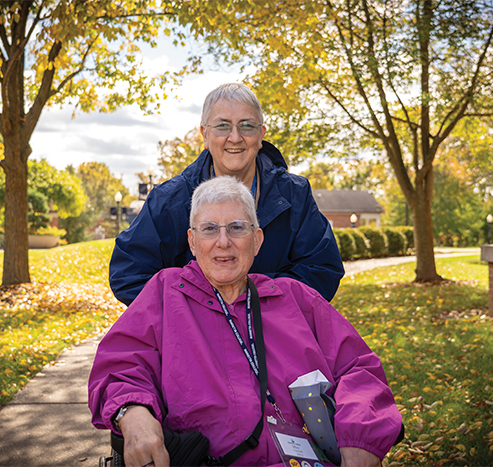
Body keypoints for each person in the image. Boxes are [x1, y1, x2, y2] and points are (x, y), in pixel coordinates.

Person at [89, 176, 403, 467]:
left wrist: (360, 438)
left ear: (256, 240)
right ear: (193, 242)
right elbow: (120, 367)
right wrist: (133, 414)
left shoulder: (295, 298)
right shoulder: (165, 292)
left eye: (237, 228)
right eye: (209, 229)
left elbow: (359, 369)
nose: (223, 242)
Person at [109, 83, 343, 306]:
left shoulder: (295, 195)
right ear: (204, 134)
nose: (235, 137)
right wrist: (201, 308)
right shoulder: (169, 200)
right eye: (222, 126)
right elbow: (129, 273)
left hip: (276, 337)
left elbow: (322, 269)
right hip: (193, 340)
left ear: (261, 134)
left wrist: (253, 301)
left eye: (247, 126)